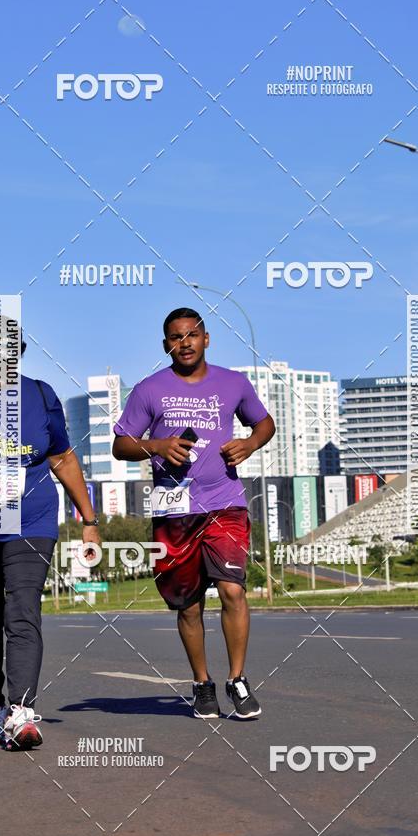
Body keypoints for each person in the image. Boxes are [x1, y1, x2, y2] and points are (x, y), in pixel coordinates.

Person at [0, 315, 100, 750]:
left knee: (23, 608)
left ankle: (23, 710)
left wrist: (89, 521)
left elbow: (63, 458)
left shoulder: (40, 395)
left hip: (31, 518)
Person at [113, 307, 275, 719]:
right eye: (175, 337)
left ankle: (237, 680)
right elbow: (121, 445)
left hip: (225, 502)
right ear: (165, 344)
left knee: (233, 589)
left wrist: (251, 444)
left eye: (191, 335)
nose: (184, 342)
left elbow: (265, 423)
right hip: (174, 509)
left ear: (206, 339)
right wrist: (158, 445)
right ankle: (202, 684)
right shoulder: (149, 389)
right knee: (187, 605)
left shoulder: (233, 383)